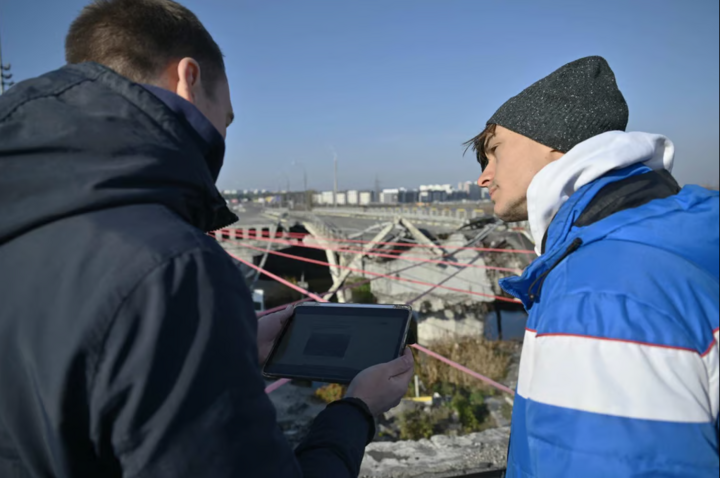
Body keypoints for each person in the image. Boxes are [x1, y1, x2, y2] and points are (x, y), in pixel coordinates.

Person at [0, 0, 415, 477]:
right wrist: (356, 410)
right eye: (228, 119)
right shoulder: (172, 266)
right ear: (188, 79)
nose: (224, 135)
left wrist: (224, 339)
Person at [466, 55, 719, 477]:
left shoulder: (596, 288)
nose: (483, 176)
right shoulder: (673, 236)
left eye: (493, 152)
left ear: (556, 143)